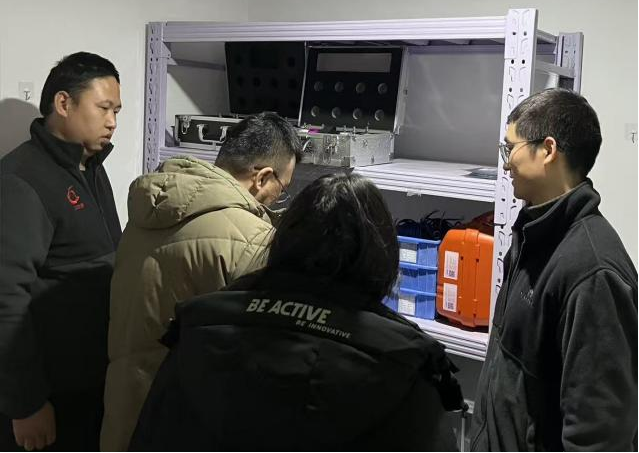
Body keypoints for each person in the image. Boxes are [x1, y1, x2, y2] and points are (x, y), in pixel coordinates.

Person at [129, 173, 464, 452]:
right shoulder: (404, 363)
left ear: (284, 240)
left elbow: (153, 435)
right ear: (381, 257)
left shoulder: (200, 326)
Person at [101, 112, 302, 451]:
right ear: (262, 177)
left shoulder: (148, 210)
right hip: (184, 421)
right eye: (282, 190)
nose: (277, 199)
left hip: (124, 407)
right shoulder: (252, 238)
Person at [470, 88, 638, 451]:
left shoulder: (594, 272)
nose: (505, 164)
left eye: (510, 149)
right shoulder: (534, 232)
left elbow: (600, 433)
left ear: (547, 150)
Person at [0, 52, 123, 451]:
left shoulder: (92, 167)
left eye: (117, 111)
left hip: (91, 383)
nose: (112, 122)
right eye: (104, 108)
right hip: (48, 396)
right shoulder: (22, 179)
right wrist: (26, 403)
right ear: (64, 103)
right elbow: (6, 298)